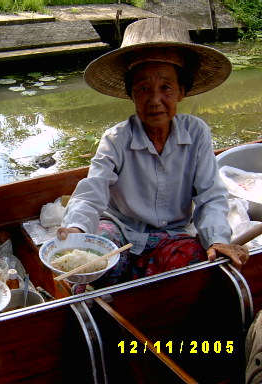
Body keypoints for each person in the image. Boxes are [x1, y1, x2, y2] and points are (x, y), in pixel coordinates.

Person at [57, 17, 249, 290]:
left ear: (182, 91)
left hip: (171, 236)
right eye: (144, 88)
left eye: (166, 87)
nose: (155, 100)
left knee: (200, 263)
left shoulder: (196, 132)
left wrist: (218, 239)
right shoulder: (115, 139)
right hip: (121, 229)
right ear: (131, 94)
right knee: (93, 261)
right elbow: (91, 193)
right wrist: (76, 230)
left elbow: (211, 196)